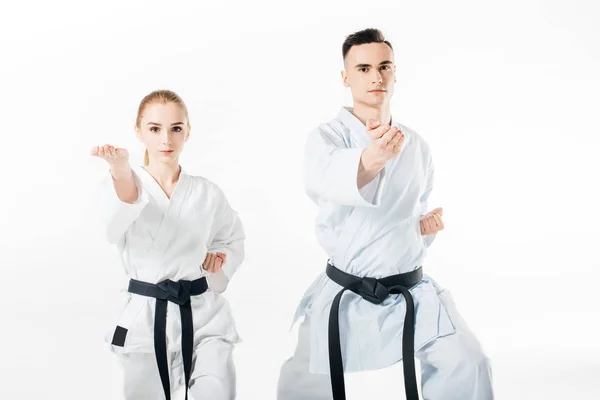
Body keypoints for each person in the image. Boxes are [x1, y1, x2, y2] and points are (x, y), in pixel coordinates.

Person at [277, 29, 494, 400]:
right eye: (363, 68)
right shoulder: (326, 138)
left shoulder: (417, 144)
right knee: (305, 380)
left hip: (410, 289)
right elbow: (328, 182)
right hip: (348, 290)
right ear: (345, 78)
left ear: (395, 73)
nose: (375, 76)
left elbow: (412, 208)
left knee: (467, 361)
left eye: (384, 66)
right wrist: (371, 159)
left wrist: (423, 229)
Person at [91, 89, 244, 400]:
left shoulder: (207, 192)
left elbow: (230, 237)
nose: (166, 140)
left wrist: (219, 260)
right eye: (154, 129)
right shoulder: (125, 185)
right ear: (138, 131)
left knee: (218, 391)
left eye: (176, 129)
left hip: (203, 316)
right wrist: (121, 170)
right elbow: (115, 223)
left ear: (187, 132)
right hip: (146, 318)